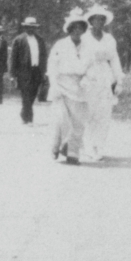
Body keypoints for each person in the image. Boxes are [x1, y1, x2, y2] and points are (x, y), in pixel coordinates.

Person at [47, 9, 93, 165]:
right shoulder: (60, 45)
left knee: (78, 122)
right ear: (69, 29)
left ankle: (73, 153)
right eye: (74, 28)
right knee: (61, 120)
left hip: (80, 87)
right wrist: (54, 84)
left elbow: (92, 66)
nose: (77, 31)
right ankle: (56, 147)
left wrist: (87, 78)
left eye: (80, 28)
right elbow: (52, 66)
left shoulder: (88, 46)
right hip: (62, 85)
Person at [80, 5, 124, 160]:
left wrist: (119, 80)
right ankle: (88, 146)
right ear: (91, 20)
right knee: (89, 112)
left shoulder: (109, 38)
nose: (99, 21)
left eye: (102, 19)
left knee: (104, 113)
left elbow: (114, 59)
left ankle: (99, 146)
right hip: (88, 76)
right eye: (96, 18)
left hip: (105, 77)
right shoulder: (84, 38)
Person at [9, 17, 48, 125]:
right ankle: (28, 118)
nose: (31, 29)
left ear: (35, 28)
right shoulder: (19, 39)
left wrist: (44, 71)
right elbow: (13, 58)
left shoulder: (40, 39)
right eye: (28, 27)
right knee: (25, 94)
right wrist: (12, 75)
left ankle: (24, 112)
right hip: (24, 71)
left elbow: (44, 56)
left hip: (37, 70)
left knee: (33, 94)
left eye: (33, 27)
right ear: (25, 27)